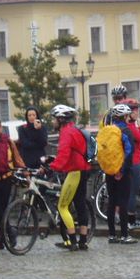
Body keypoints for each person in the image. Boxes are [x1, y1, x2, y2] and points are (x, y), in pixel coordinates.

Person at [48, 104, 92, 251]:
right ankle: (83, 241)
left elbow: (64, 155)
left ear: (61, 119)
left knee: (62, 206)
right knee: (80, 205)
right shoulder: (75, 130)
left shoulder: (66, 133)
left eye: (54, 119)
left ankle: (72, 241)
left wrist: (52, 167)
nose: (52, 122)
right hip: (83, 169)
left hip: (74, 171)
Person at [103, 103, 137, 244]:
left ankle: (112, 235)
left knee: (111, 202)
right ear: (124, 117)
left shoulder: (107, 130)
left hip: (109, 170)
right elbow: (129, 152)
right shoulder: (125, 131)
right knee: (123, 202)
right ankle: (124, 235)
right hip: (122, 171)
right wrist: (122, 171)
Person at [125, 99, 140, 230]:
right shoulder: (131, 127)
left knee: (128, 192)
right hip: (134, 162)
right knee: (133, 192)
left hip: (128, 162)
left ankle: (126, 220)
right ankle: (131, 221)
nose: (137, 113)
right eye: (135, 110)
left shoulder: (123, 126)